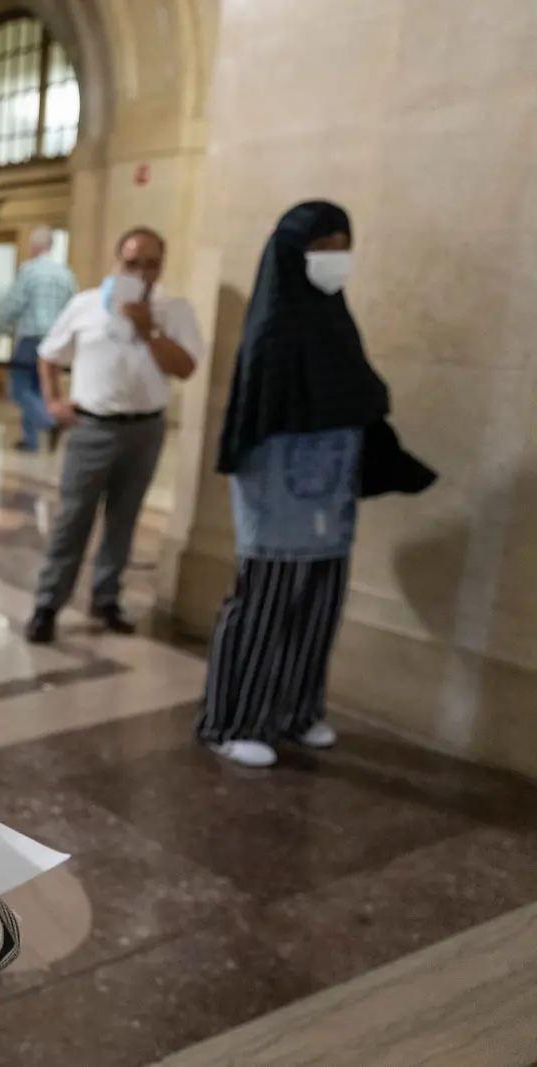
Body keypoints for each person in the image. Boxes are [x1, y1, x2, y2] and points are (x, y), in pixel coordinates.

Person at [197, 202, 419, 767]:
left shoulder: (331, 316)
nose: (334, 257)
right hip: (280, 483)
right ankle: (232, 719)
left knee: (320, 600)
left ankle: (297, 711)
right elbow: (258, 412)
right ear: (295, 251)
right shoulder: (275, 323)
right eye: (323, 245)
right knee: (267, 601)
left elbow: (362, 392)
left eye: (342, 243)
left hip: (332, 483)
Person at [25, 226, 204, 643]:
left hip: (145, 429)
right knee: (73, 519)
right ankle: (48, 603)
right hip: (92, 427)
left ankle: (107, 598)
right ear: (116, 261)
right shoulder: (86, 304)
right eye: (132, 262)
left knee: (124, 519)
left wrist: (149, 331)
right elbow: (48, 355)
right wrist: (54, 401)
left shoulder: (173, 310)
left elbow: (186, 367)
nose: (141, 272)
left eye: (151, 264)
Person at [0, 226, 77, 453]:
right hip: (55, 341)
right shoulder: (65, 274)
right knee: (39, 389)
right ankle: (30, 441)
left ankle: (49, 423)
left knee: (19, 389)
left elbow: (13, 304)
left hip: (32, 338)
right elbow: (72, 308)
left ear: (34, 246)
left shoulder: (29, 271)